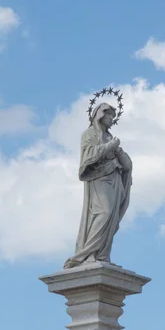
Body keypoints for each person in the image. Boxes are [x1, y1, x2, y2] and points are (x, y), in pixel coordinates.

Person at [64, 102, 132, 269]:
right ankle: (86, 254)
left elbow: (127, 166)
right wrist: (111, 146)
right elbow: (89, 155)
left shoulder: (110, 138)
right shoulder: (89, 134)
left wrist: (120, 153)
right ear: (100, 115)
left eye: (112, 117)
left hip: (115, 180)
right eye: (109, 115)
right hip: (99, 178)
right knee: (104, 213)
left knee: (112, 218)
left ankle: (101, 255)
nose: (111, 119)